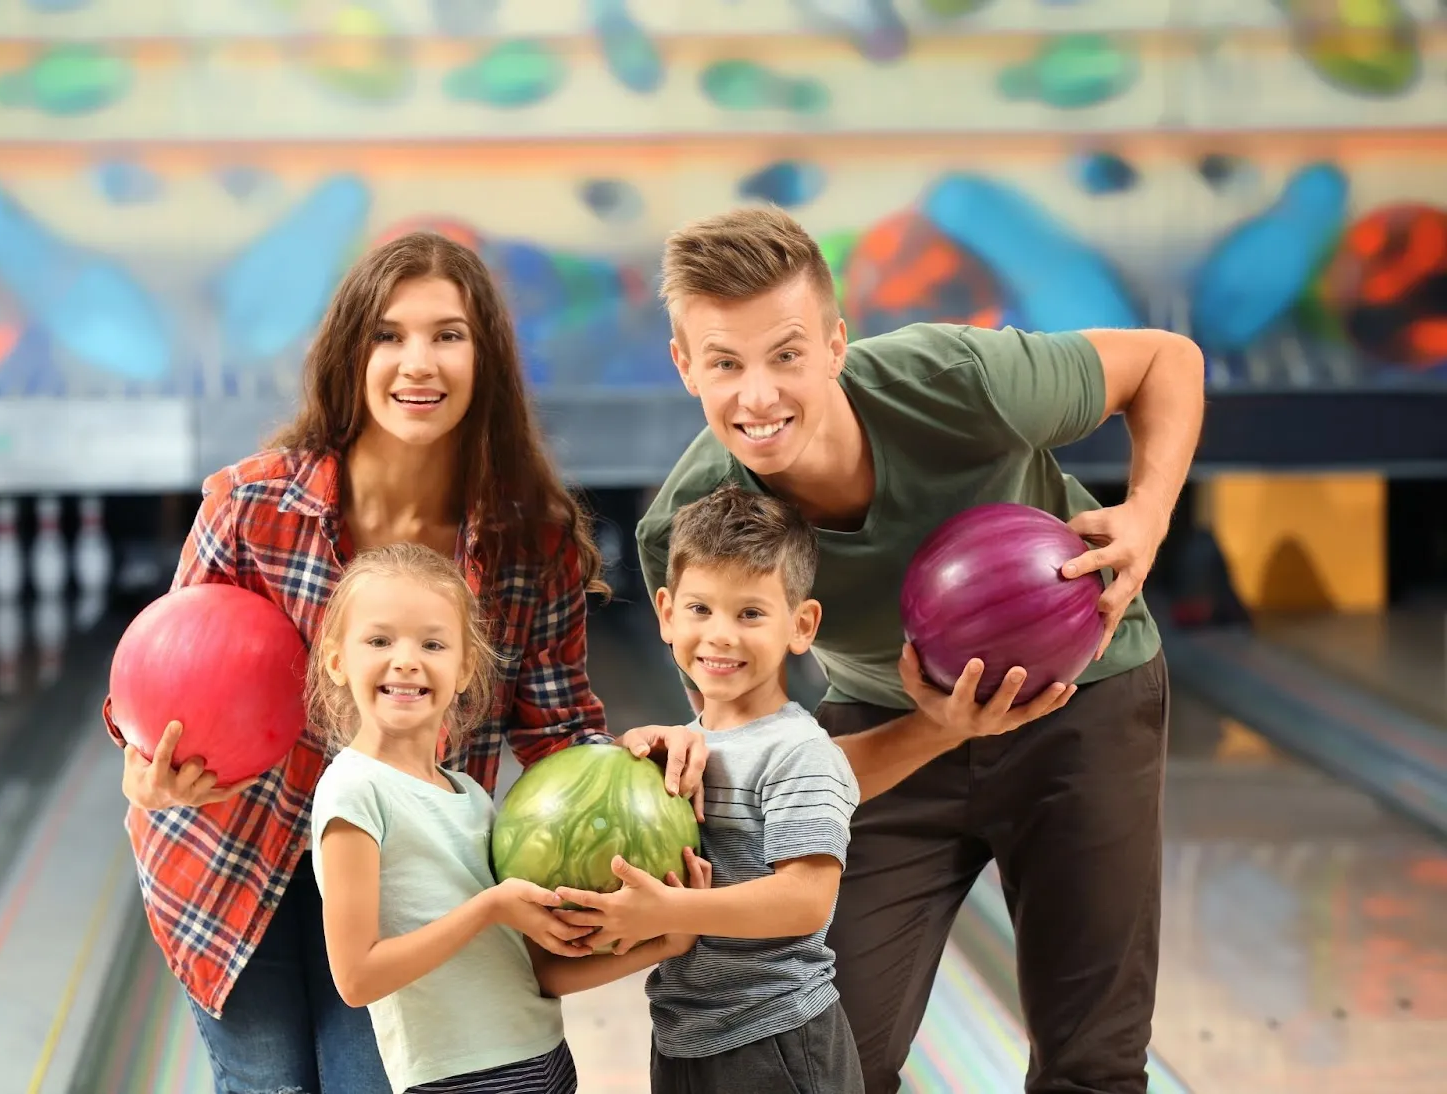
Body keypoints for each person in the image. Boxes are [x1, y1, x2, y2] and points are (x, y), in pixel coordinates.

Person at [104, 232, 707, 1094]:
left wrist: (637, 768)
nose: (416, 362)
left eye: (447, 335)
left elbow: (561, 734)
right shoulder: (252, 508)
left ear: (485, 357)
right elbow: (155, 683)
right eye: (389, 334)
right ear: (352, 352)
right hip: (234, 861)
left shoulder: (529, 546)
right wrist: (142, 766)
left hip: (405, 884)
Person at [634, 206, 1205, 1093]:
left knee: (1093, 1062)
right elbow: (760, 748)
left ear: (834, 344)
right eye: (724, 363)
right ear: (685, 366)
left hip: (1086, 702)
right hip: (886, 726)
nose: (758, 395)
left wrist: (1147, 515)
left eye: (786, 354)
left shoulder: (959, 379)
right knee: (827, 1059)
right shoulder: (690, 528)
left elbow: (1168, 360)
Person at [307, 542, 713, 1094]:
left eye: (432, 643)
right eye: (379, 640)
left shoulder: (470, 795)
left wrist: (665, 944)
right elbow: (357, 978)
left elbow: (539, 975)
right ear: (337, 659)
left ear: (466, 667)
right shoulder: (355, 792)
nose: (405, 659)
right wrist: (491, 907)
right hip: (458, 1079)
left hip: (545, 1059)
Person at [559, 484, 865, 1094]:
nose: (721, 635)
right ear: (667, 614)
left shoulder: (799, 752)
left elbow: (806, 900)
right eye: (701, 610)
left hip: (776, 1038)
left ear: (800, 625)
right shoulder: (683, 746)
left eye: (750, 613)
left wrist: (673, 912)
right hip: (684, 1031)